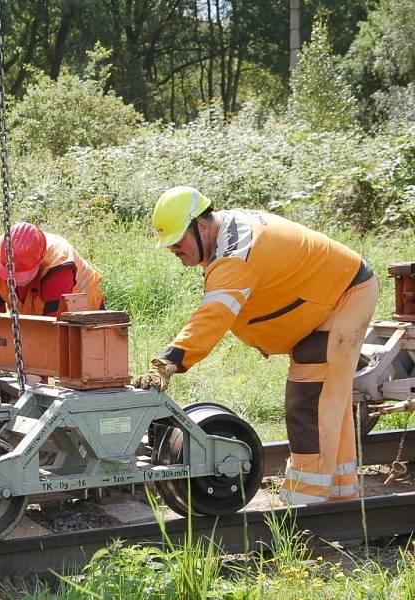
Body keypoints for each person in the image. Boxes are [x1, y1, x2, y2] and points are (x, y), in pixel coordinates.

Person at [134, 185, 378, 506]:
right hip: (332, 294)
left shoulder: (235, 255)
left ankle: (307, 504)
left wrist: (168, 363)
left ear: (202, 227)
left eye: (177, 241)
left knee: (310, 401)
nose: (173, 249)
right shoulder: (223, 234)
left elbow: (214, 316)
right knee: (328, 401)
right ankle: (341, 494)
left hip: (343, 298)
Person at [0, 221, 104, 317]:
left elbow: (55, 329)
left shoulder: (57, 266)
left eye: (20, 276)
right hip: (33, 308)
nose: (13, 282)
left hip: (82, 307)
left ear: (39, 263)